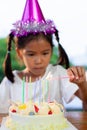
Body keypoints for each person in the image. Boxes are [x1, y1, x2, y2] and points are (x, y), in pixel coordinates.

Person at [0, 0, 87, 113]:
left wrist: (82, 84)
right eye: (31, 54)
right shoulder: (10, 82)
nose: (39, 60)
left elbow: (85, 101)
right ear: (19, 53)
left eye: (45, 53)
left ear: (51, 50)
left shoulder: (57, 73)